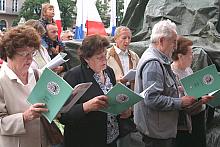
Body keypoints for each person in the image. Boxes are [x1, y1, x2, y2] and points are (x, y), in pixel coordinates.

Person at [133, 19, 197, 147]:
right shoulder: (153, 63)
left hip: (158, 129)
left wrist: (176, 90)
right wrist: (181, 102)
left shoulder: (158, 59)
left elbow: (159, 89)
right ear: (161, 41)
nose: (175, 46)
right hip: (156, 133)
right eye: (173, 42)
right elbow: (152, 99)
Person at [59, 34, 130, 147]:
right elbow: (63, 115)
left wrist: (123, 110)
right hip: (86, 139)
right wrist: (86, 107)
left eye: (105, 55)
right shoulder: (73, 76)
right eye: (99, 57)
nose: (104, 60)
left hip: (111, 137)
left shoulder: (109, 71)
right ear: (86, 58)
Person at [0, 25, 49, 147]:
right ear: (9, 53)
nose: (30, 59)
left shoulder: (38, 74)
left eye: (32, 53)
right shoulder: (1, 80)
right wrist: (25, 117)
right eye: (24, 54)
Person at [171, 36, 212, 147]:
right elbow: (181, 103)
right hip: (185, 125)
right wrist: (200, 100)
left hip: (198, 117)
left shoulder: (188, 69)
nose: (192, 56)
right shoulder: (172, 74)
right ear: (180, 56)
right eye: (190, 53)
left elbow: (195, 91)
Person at [106, 26, 143, 147]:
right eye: (124, 38)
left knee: (128, 135)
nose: (127, 41)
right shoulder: (107, 55)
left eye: (129, 38)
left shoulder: (134, 56)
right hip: (114, 99)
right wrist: (119, 80)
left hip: (130, 98)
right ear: (116, 38)